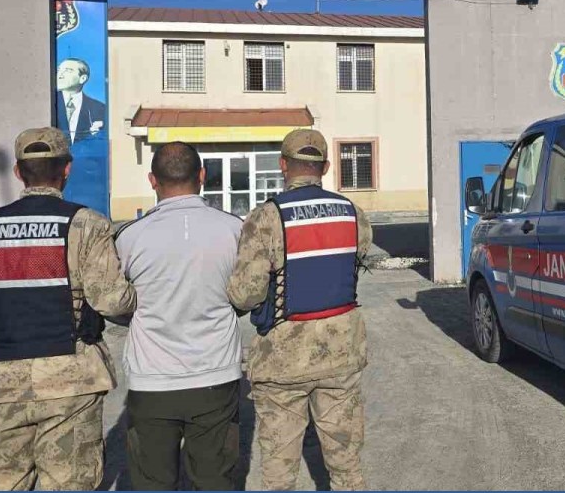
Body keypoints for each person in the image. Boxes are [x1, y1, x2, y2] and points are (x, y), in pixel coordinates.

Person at [0, 127, 136, 490]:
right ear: (66, 169)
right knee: (70, 482)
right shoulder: (87, 225)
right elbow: (110, 300)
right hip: (70, 379)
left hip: (3, 379)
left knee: (3, 483)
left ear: (18, 172)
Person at [228, 129, 374, 491]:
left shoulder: (266, 218)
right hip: (341, 351)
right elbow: (355, 261)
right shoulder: (353, 213)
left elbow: (246, 295)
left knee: (279, 473)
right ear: (325, 167)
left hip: (283, 360)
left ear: (283, 165)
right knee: (347, 468)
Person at [114, 141, 245, 490]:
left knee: (153, 483)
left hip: (151, 380)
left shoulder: (130, 237)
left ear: (152, 180)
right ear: (202, 175)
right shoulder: (234, 229)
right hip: (216, 376)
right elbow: (247, 294)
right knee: (215, 481)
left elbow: (115, 301)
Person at [55, 58, 106, 144]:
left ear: (82, 78)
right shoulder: (49, 103)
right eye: (58, 70)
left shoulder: (100, 109)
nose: (60, 75)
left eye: (68, 71)